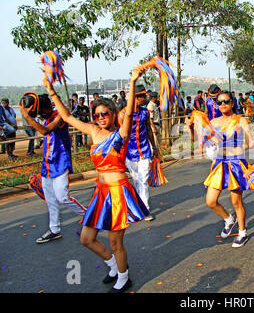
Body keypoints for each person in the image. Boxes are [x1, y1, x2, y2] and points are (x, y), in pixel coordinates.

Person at [43, 64, 150, 293]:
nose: (101, 117)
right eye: (97, 114)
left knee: (115, 241)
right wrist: (51, 90)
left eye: (105, 113)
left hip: (119, 191)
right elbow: (67, 117)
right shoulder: (93, 131)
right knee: (86, 238)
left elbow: (129, 112)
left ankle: (124, 276)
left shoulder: (120, 133)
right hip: (101, 192)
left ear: (113, 114)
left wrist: (131, 82)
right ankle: (113, 265)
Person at [19, 93, 86, 244]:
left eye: (41, 110)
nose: (40, 114)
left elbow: (45, 131)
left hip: (61, 162)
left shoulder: (60, 116)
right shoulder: (45, 117)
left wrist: (27, 117)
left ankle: (88, 215)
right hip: (47, 164)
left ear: (48, 106)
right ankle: (54, 229)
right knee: (50, 200)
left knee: (63, 196)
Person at [202, 91, 254, 248]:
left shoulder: (240, 120)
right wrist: (192, 128)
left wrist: (243, 136)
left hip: (235, 163)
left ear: (232, 103)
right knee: (210, 201)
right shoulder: (214, 122)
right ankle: (229, 219)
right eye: (219, 102)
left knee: (236, 201)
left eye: (226, 101)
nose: (223, 104)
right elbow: (206, 141)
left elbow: (250, 144)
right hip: (220, 163)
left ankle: (242, 233)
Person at [118, 84, 161, 222]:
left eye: (144, 96)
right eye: (141, 96)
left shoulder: (145, 112)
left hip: (144, 151)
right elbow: (119, 135)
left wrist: (154, 147)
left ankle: (145, 209)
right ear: (134, 97)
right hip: (129, 153)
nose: (143, 98)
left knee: (143, 180)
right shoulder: (122, 114)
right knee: (136, 180)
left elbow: (148, 129)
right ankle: (137, 205)